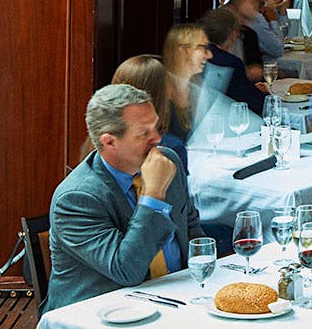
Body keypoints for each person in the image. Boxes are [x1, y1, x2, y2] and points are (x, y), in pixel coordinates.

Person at [46, 84, 203, 310]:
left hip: (175, 298)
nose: (158, 138)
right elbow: (126, 269)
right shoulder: (76, 199)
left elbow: (190, 226)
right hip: (101, 314)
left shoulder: (168, 161)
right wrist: (153, 195)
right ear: (109, 142)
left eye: (156, 127)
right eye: (143, 133)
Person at [109, 55, 189, 171]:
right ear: (161, 96)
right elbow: (179, 189)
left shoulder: (99, 141)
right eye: (170, 87)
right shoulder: (170, 150)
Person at [199, 5, 267, 115]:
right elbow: (257, 103)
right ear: (233, 34)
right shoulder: (230, 62)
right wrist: (267, 97)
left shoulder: (197, 54)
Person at [160, 22, 211, 138]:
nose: (208, 55)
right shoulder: (160, 89)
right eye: (203, 47)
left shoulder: (197, 89)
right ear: (183, 50)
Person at [229, 0, 283, 65]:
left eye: (250, 18)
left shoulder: (250, 34)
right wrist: (273, 20)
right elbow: (277, 49)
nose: (247, 22)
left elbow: (255, 64)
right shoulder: (223, 33)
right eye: (244, 16)